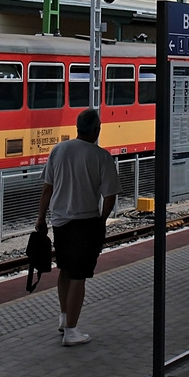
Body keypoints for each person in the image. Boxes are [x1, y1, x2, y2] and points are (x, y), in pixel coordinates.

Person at [36, 108, 121, 346]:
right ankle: (72, 331)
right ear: (97, 130)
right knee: (79, 277)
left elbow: (47, 188)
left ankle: (64, 319)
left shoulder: (59, 150)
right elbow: (110, 195)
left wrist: (40, 219)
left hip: (60, 222)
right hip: (85, 224)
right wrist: (102, 220)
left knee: (64, 270)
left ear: (77, 128)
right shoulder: (101, 157)